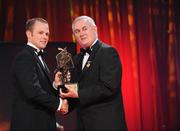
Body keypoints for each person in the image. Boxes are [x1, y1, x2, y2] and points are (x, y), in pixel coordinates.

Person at [60, 16, 127, 130]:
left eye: (85, 28)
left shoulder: (108, 52)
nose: (81, 33)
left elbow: (108, 87)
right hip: (84, 125)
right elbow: (76, 89)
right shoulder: (76, 59)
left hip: (106, 125)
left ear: (94, 29)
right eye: (77, 31)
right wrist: (66, 104)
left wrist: (78, 94)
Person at [10, 18, 68, 130]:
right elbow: (32, 91)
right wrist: (59, 104)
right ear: (29, 34)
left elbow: (41, 90)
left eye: (47, 33)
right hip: (30, 124)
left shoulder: (37, 57)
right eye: (40, 33)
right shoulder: (25, 57)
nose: (45, 37)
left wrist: (55, 85)